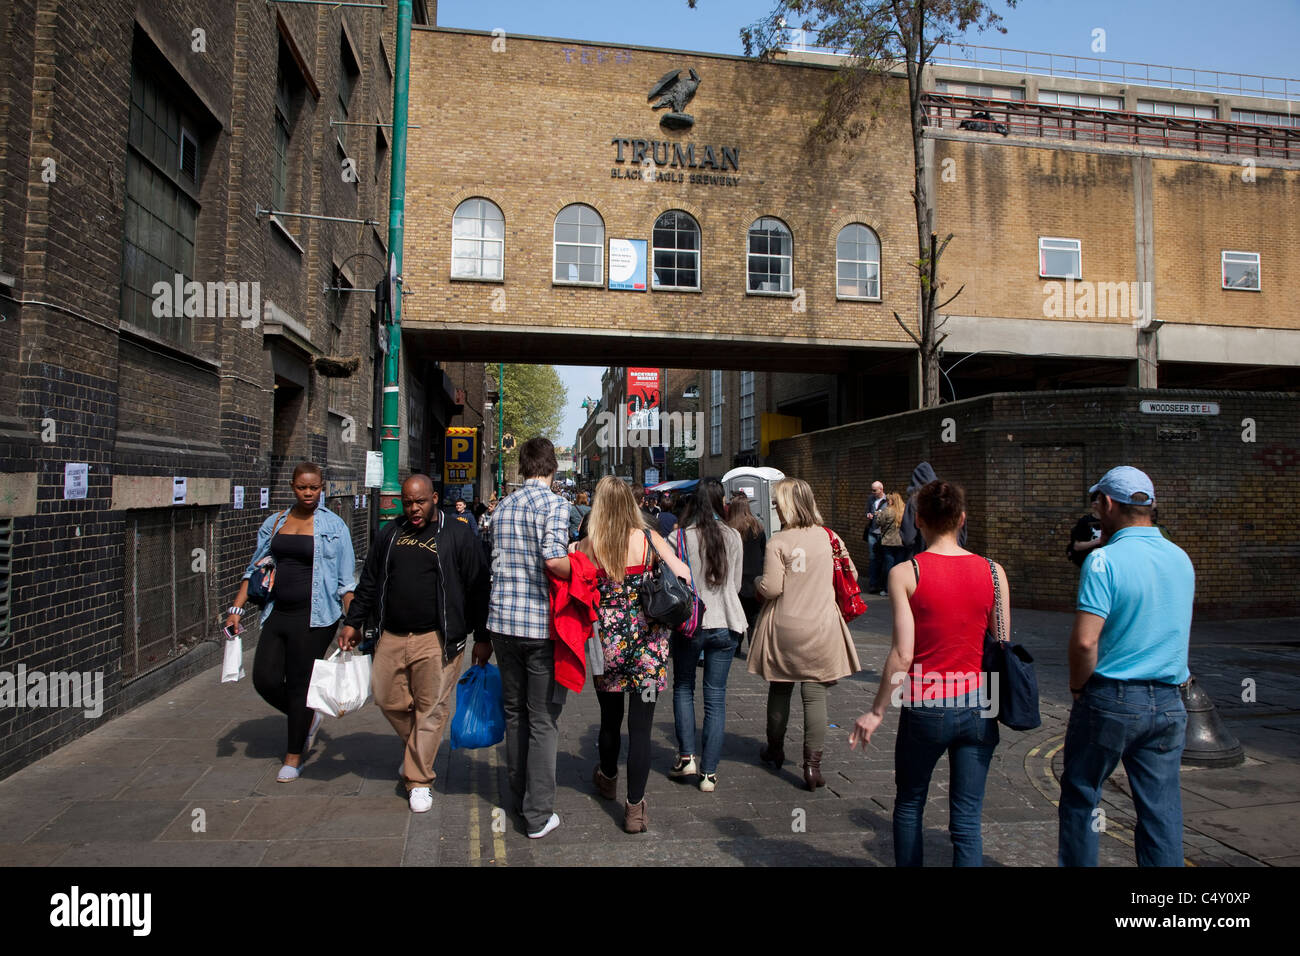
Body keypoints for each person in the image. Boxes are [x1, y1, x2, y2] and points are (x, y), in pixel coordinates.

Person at [849, 479, 1007, 867]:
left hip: (926, 702)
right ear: (963, 519)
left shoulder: (906, 573)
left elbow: (903, 655)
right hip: (980, 703)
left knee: (909, 805)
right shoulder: (993, 572)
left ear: (918, 521)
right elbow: (1001, 645)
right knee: (967, 820)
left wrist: (876, 711)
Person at [1059, 466, 1194, 867]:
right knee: (1161, 809)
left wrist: (1078, 688)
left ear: (1109, 504)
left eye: (1097, 502)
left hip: (1111, 697)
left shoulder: (1103, 561)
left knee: (1083, 795)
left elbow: (1085, 641)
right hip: (1170, 701)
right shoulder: (1180, 558)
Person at [337, 474, 489, 812]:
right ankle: (416, 752)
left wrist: (482, 637)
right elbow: (371, 581)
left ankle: (419, 779)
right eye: (408, 502)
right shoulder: (390, 534)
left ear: (434, 498)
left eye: (420, 501)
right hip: (391, 634)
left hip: (438, 638)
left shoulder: (458, 534)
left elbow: (479, 589)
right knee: (386, 698)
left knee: (431, 710)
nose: (414, 509)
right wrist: (354, 622)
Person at [572, 476, 691, 832]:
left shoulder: (588, 545)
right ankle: (635, 809)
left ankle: (608, 777)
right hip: (648, 649)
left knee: (610, 718)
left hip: (607, 647)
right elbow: (683, 573)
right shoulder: (649, 539)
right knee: (641, 730)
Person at [227, 462, 355, 783]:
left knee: (300, 684)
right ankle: (307, 718)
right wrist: (236, 610)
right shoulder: (275, 523)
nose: (308, 493)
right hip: (276, 611)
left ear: (322, 486)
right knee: (265, 679)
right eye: (302, 487)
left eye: (314, 487)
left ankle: (293, 756)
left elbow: (345, 582)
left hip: (316, 617)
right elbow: (254, 569)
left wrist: (351, 621)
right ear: (292, 487)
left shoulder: (335, 526)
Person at [484, 437, 573, 839]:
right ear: (552, 467)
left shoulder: (502, 507)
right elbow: (554, 560)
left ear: (523, 468)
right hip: (539, 628)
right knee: (543, 720)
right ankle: (537, 815)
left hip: (502, 623)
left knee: (515, 714)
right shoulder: (554, 504)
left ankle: (519, 798)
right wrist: (586, 566)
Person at [748, 477, 861, 790]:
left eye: (776, 503)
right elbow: (851, 573)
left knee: (780, 689)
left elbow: (772, 588)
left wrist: (757, 581)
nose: (774, 508)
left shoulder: (779, 541)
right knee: (814, 696)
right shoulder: (830, 537)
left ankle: (774, 749)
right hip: (822, 626)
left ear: (786, 506)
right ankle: (812, 768)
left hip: (785, 625)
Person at [667, 478, 747, 792]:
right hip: (727, 622)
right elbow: (737, 586)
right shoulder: (734, 536)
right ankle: (709, 774)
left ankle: (687, 757)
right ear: (720, 503)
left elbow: (674, 584)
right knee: (716, 697)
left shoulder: (679, 538)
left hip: (692, 624)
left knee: (684, 687)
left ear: (692, 503)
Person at [726, 491, 766, 659]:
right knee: (754, 616)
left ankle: (735, 646)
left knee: (736, 614)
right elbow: (764, 552)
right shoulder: (758, 527)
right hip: (754, 577)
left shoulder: (729, 529)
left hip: (736, 577)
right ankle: (754, 649)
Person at [901, 462, 967, 557]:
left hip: (922, 555)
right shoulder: (949, 497)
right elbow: (962, 536)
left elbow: (907, 537)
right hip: (953, 555)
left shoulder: (914, 501)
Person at [875, 492, 907, 595]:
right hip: (901, 542)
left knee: (888, 567)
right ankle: (900, 589)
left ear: (891, 500)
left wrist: (878, 515)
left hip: (888, 542)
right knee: (900, 566)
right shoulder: (904, 511)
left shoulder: (887, 511)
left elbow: (879, 522)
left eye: (888, 499)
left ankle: (888, 588)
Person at [864, 480, 887, 592]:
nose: (872, 492)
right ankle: (873, 584)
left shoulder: (888, 500)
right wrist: (868, 514)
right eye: (871, 490)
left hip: (883, 533)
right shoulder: (870, 499)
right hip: (872, 532)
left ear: (881, 489)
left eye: (874, 490)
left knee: (883, 558)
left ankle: (882, 584)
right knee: (873, 558)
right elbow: (867, 511)